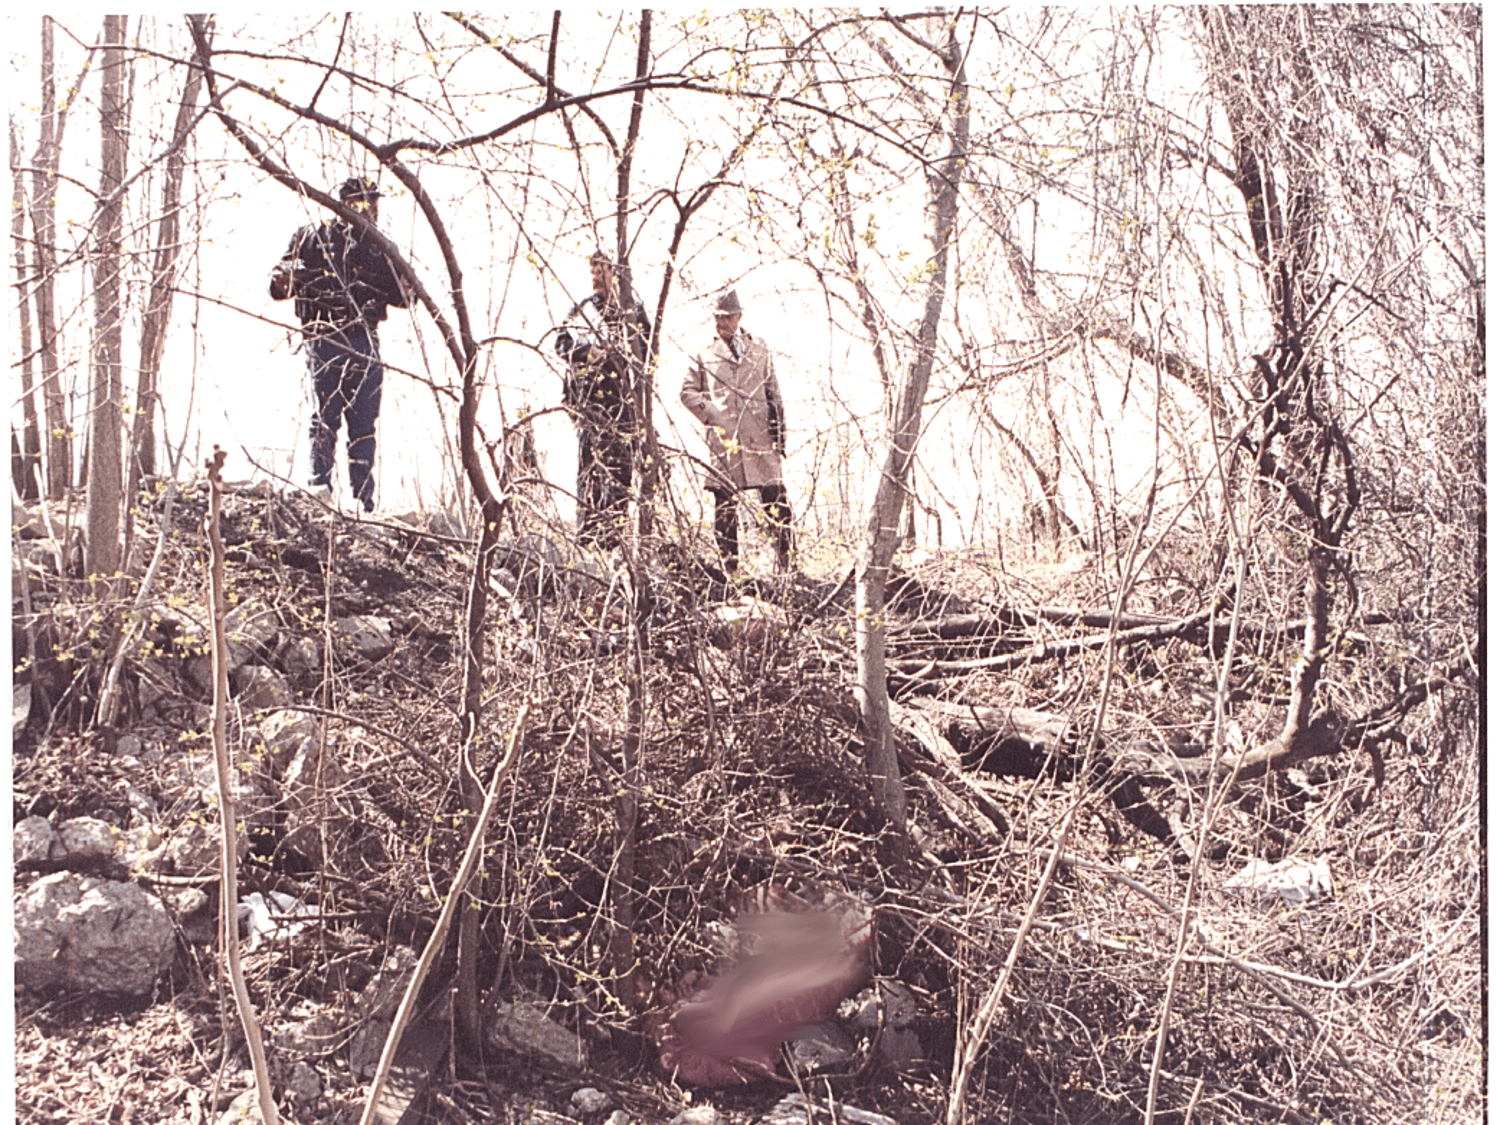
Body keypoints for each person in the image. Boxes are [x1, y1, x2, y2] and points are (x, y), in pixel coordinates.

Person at [270, 175, 409, 512]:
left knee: (363, 424)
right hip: (322, 338)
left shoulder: (379, 245)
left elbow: (404, 297)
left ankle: (363, 502)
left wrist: (404, 279)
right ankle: (319, 490)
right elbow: (277, 287)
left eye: (373, 202)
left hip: (364, 340)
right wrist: (287, 278)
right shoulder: (309, 236)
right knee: (325, 417)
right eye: (364, 202)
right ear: (345, 203)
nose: (370, 209)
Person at [681, 289, 793, 572]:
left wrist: (779, 437)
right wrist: (713, 416)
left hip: (760, 439)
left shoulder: (760, 348)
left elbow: (774, 394)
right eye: (717, 318)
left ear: (739, 316)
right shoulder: (704, 353)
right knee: (725, 507)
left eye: (727, 318)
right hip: (725, 441)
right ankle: (730, 570)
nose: (721, 324)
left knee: (775, 500)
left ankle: (787, 565)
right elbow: (686, 392)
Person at [554, 250, 651, 549]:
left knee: (621, 474)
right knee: (590, 472)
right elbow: (561, 344)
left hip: (623, 405)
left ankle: (614, 544)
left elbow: (647, 352)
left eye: (602, 269)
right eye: (592, 269)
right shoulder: (583, 309)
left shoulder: (634, 310)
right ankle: (586, 544)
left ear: (616, 271)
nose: (596, 275)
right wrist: (588, 352)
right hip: (590, 405)